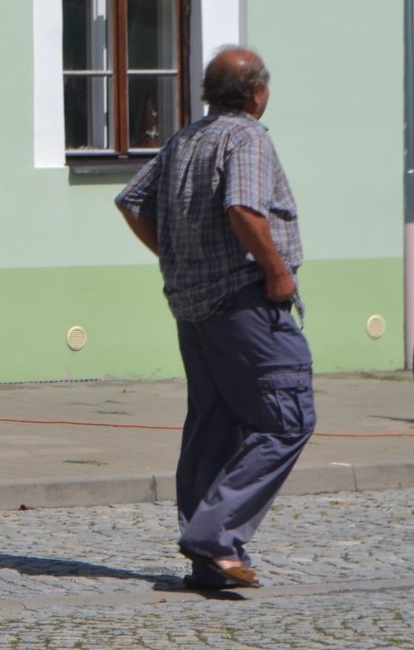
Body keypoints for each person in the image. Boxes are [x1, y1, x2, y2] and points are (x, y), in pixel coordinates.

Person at [115, 45, 316, 590]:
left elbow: (132, 202)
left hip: (193, 303)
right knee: (287, 418)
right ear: (258, 94)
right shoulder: (246, 137)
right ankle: (214, 536)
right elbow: (244, 210)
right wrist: (276, 272)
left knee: (215, 424)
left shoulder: (187, 139)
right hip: (243, 299)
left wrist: (178, 255)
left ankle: (210, 559)